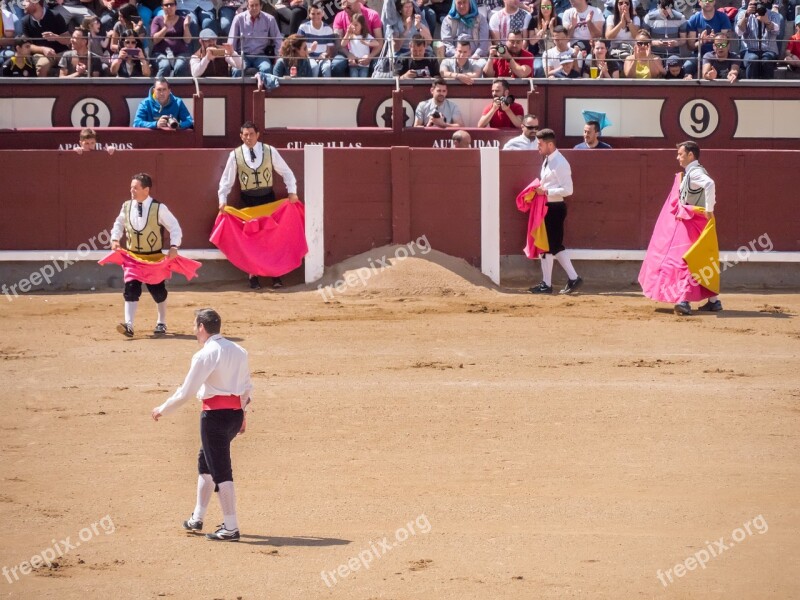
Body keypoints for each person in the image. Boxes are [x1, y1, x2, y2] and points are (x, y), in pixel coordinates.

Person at [151, 308, 252, 543]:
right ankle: (197, 517)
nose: (194, 331)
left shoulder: (205, 354)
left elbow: (186, 392)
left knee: (221, 470)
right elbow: (248, 386)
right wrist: (243, 414)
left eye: (194, 326)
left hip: (215, 417)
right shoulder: (239, 350)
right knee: (205, 462)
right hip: (235, 414)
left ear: (201, 328)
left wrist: (162, 409)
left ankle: (231, 527)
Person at [217, 121, 300, 290]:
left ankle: (276, 275)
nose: (248, 138)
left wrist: (292, 192)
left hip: (268, 199)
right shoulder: (235, 155)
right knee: (251, 239)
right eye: (245, 135)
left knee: (272, 237)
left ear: (258, 135)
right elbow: (226, 180)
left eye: (251, 134)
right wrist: (222, 200)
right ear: (241, 136)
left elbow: (287, 172)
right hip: (247, 201)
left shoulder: (270, 151)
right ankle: (253, 276)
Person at [110, 172, 183, 337]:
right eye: (131, 187)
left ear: (146, 190)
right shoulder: (126, 206)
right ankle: (129, 325)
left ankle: (161, 321)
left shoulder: (159, 208)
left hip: (153, 258)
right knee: (130, 288)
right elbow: (119, 223)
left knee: (158, 292)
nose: (132, 190)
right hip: (133, 257)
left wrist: (174, 246)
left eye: (135, 188)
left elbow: (175, 226)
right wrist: (115, 238)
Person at [529, 128, 583, 295]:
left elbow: (568, 190)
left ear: (550, 144)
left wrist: (545, 192)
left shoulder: (560, 163)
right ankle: (559, 281)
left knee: (551, 246)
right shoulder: (548, 160)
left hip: (555, 208)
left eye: (540, 144)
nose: (538, 147)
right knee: (550, 246)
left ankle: (561, 281)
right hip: (547, 207)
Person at [673, 141, 721, 315]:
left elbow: (710, 184)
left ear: (690, 155)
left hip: (695, 221)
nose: (678, 157)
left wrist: (709, 210)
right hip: (696, 221)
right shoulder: (691, 173)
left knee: (688, 260)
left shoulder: (695, 173)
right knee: (703, 260)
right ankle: (714, 301)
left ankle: (684, 300)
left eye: (680, 154)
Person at [228, 0, 283, 77]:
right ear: (247, 6)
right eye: (252, 5)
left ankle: (264, 89)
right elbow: (231, 41)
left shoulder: (270, 19)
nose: (254, 8)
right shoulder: (238, 19)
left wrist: (277, 57)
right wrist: (231, 58)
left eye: (256, 5)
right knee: (237, 70)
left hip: (261, 55)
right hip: (243, 55)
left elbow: (278, 40)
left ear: (261, 6)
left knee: (266, 68)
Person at [331, 0, 383, 77]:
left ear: (357, 2)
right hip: (346, 53)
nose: (345, 9)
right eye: (343, 6)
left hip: (369, 53)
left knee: (380, 66)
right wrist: (349, 55)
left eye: (348, 6)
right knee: (336, 65)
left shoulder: (373, 15)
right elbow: (339, 44)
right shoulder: (339, 16)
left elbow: (379, 42)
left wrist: (370, 57)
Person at [22, 0, 70, 77]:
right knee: (42, 66)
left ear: (36, 3)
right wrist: (43, 49)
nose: (23, 4)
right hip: (41, 55)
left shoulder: (55, 15)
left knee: (73, 58)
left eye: (27, 1)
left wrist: (56, 37)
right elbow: (28, 46)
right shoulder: (25, 21)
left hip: (61, 53)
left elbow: (68, 40)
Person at [684, 0, 731, 78]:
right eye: (704, 0)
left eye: (710, 0)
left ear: (714, 2)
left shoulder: (723, 17)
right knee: (687, 66)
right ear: (699, 2)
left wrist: (715, 39)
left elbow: (726, 42)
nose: (707, 2)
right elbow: (690, 46)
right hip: (699, 54)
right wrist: (702, 41)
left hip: (719, 54)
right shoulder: (694, 19)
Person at [736, 0, 781, 79]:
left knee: (767, 60)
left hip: (768, 50)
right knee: (753, 59)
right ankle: (751, 88)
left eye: (759, 4)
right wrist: (746, 15)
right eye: (753, 4)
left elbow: (777, 31)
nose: (757, 7)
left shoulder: (773, 14)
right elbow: (739, 32)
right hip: (749, 50)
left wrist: (767, 21)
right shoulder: (743, 14)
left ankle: (768, 88)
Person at [151, 0, 192, 77]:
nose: (169, 7)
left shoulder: (182, 20)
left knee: (179, 66)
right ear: (162, 7)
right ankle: (157, 88)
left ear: (176, 6)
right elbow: (155, 40)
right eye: (166, 5)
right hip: (160, 53)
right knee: (165, 66)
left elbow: (187, 40)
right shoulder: (157, 19)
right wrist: (165, 27)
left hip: (181, 53)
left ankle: (179, 88)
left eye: (171, 4)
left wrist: (186, 26)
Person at [440, 0, 489, 64]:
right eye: (459, 3)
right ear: (454, 4)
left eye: (464, 2)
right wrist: (458, 55)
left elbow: (484, 43)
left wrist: (476, 55)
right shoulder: (448, 20)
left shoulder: (480, 19)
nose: (462, 6)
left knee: (482, 65)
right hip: (455, 57)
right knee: (444, 66)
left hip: (476, 58)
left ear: (470, 3)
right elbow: (447, 42)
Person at [297, 2, 335, 76]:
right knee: (314, 67)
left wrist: (324, 54)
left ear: (323, 14)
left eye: (318, 13)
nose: (316, 16)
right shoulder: (303, 27)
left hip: (323, 57)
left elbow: (329, 49)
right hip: (307, 56)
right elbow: (298, 47)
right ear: (309, 14)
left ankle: (328, 87)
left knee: (327, 67)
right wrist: (309, 51)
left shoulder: (328, 29)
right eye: (313, 14)